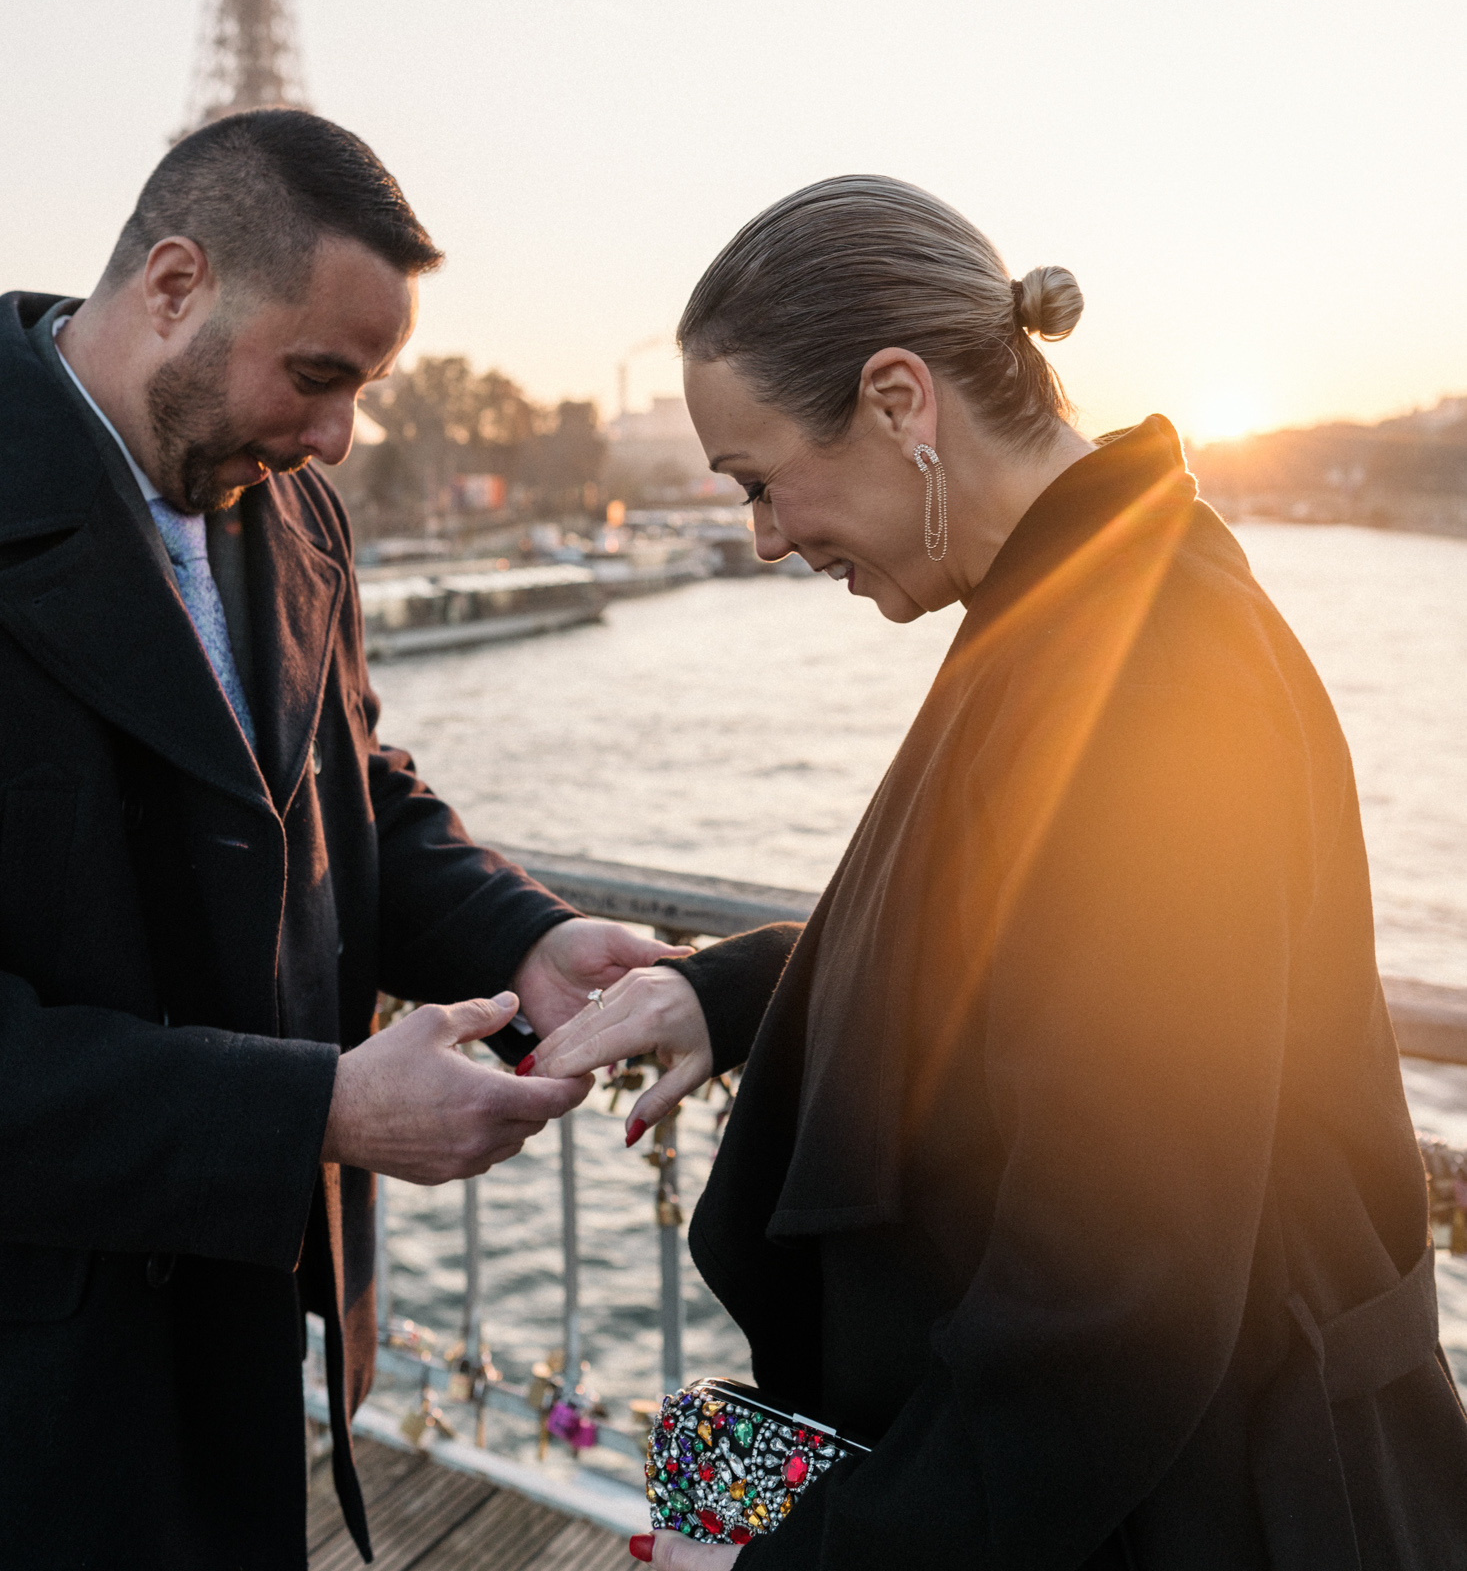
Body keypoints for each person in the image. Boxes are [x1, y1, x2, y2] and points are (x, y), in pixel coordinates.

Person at [532, 174, 1467, 1569]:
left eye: (759, 480)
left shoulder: (1150, 675)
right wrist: (723, 996)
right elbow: (1011, 962)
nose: (766, 536)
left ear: (903, 402)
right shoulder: (1088, 602)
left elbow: (1111, 1311)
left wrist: (818, 1552)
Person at [0, 109, 688, 1571]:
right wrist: (308, 1113)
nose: (337, 438)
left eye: (363, 389)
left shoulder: (292, 505)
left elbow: (348, 790)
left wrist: (523, 935)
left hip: (250, 1331)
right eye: (318, 377)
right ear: (174, 283)